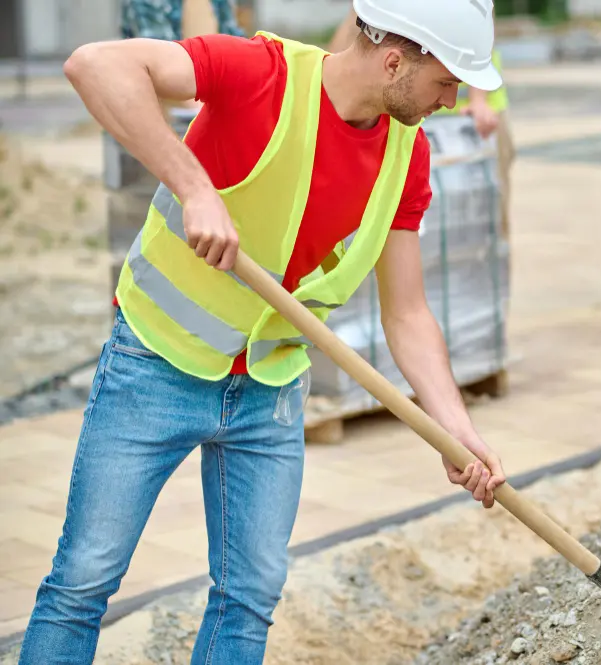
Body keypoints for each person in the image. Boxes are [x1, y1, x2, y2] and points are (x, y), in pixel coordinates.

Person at [17, 1, 506, 662]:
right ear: (394, 59)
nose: (452, 101)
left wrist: (457, 429)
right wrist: (194, 187)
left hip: (269, 391)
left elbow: (408, 312)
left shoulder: (406, 156)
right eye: (447, 82)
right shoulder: (261, 73)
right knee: (83, 581)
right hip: (156, 363)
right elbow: (95, 65)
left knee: (249, 598)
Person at [328, 7, 516, 238]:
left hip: (470, 115)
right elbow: (358, 25)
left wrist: (479, 99)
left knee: (480, 217)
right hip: (403, 102)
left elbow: (477, 23)